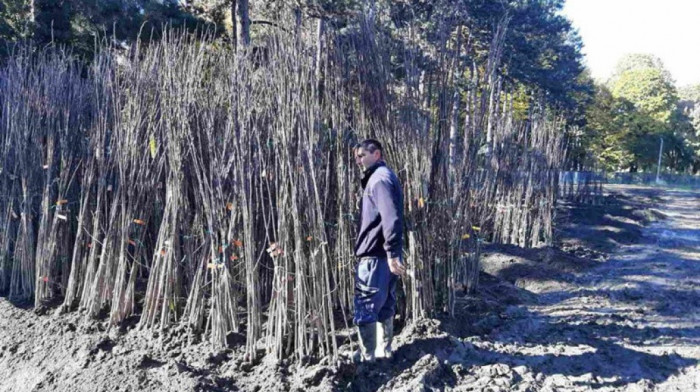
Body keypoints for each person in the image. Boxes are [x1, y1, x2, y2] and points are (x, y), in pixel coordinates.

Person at [353, 139, 406, 363]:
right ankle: (384, 351)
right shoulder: (382, 177)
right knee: (385, 304)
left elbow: (391, 217)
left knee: (367, 303)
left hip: (376, 256)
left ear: (377, 154)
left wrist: (393, 253)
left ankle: (369, 356)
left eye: (362, 155)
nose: (358, 160)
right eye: (357, 157)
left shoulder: (379, 180)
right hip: (383, 254)